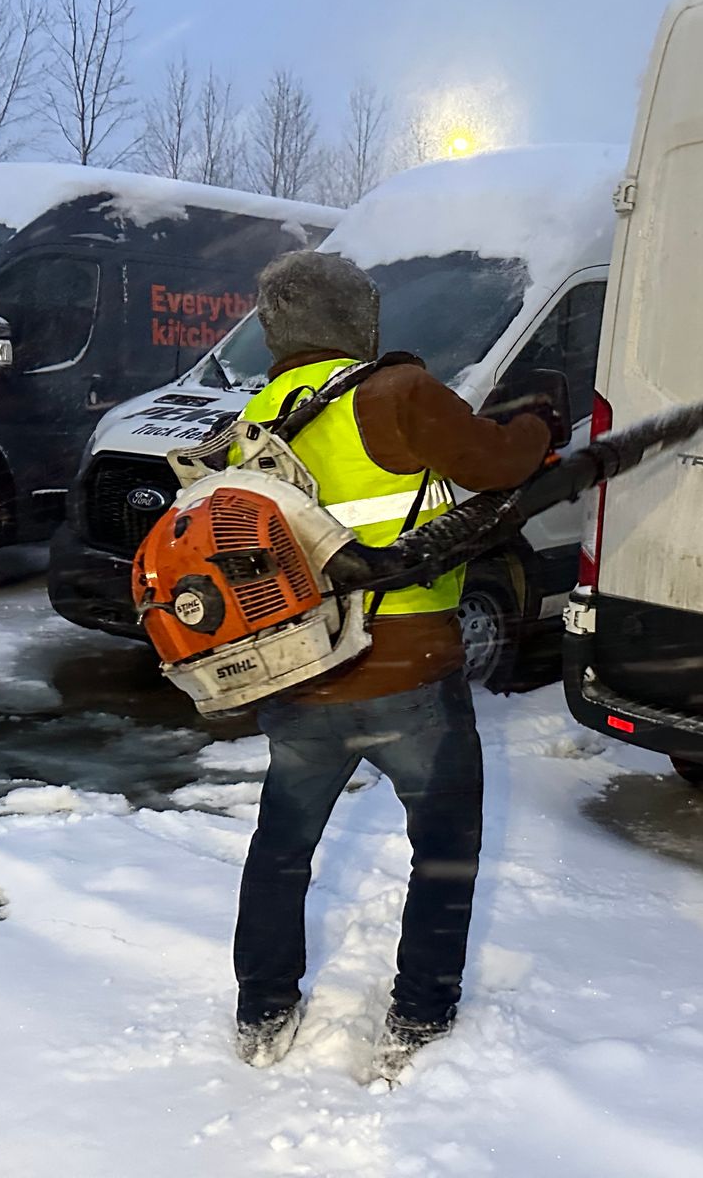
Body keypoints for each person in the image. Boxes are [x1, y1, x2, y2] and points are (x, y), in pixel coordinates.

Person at [231, 250, 552, 1082]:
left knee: (282, 848)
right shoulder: (395, 393)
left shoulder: (255, 418)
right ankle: (420, 1014)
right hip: (410, 675)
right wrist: (539, 424)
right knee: (443, 848)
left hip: (301, 674)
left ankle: (263, 1007)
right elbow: (501, 463)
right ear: (361, 319)